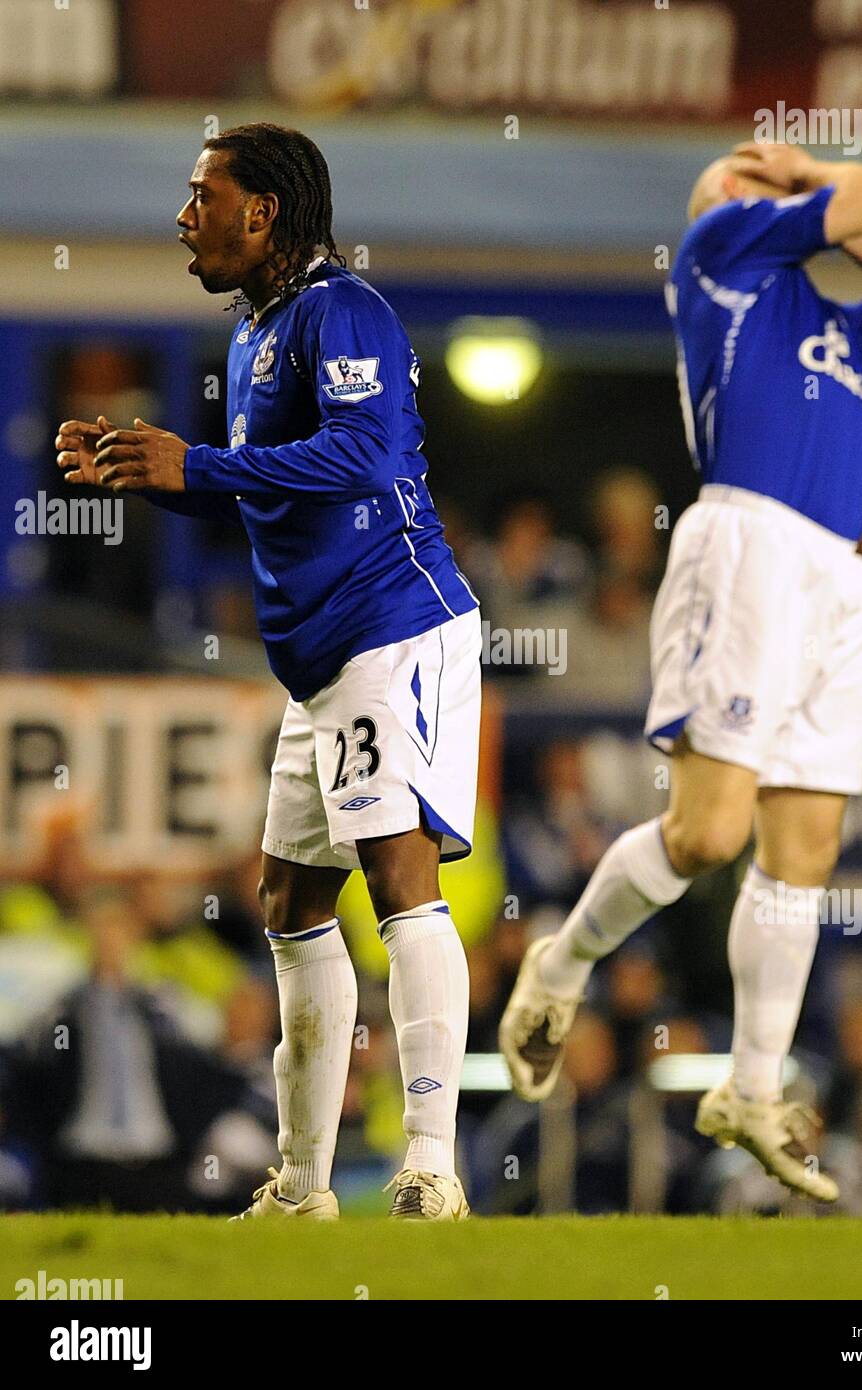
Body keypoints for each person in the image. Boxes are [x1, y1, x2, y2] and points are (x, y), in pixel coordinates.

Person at [501, 140, 862, 1203]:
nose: (760, 181)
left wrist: (844, 220)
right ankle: (561, 965)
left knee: (806, 846)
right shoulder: (721, 249)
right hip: (749, 547)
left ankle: (751, 1087)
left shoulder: (838, 321)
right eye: (745, 171)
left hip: (835, 580)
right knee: (708, 832)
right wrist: (811, 174)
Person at [55, 124, 481, 1222]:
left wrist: (195, 461)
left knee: (399, 873)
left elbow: (366, 454)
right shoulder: (253, 334)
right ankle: (303, 1183)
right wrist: (152, 472)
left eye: (204, 195)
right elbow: (264, 482)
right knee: (290, 897)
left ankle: (433, 1162)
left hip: (394, 624)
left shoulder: (346, 310)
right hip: (317, 659)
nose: (184, 215)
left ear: (265, 212)